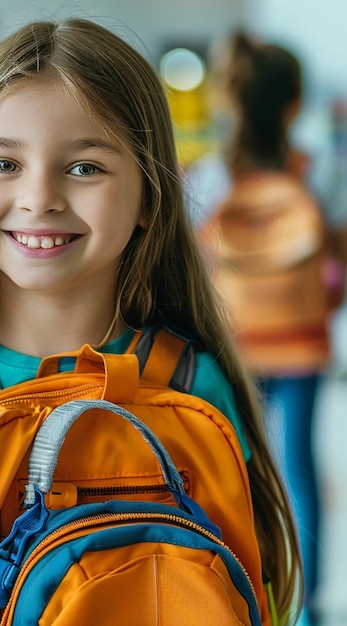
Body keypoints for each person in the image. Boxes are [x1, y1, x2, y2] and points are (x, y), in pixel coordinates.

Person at [0, 18, 303, 625]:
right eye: (3, 164)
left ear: (148, 197)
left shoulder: (195, 388)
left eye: (84, 168)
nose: (39, 197)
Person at [187, 32, 341, 626]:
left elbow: (199, 269)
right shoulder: (318, 170)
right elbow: (338, 261)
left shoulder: (211, 178)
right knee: (299, 469)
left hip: (234, 344)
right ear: (293, 104)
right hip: (301, 339)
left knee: (236, 466)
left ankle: (244, 591)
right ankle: (309, 605)